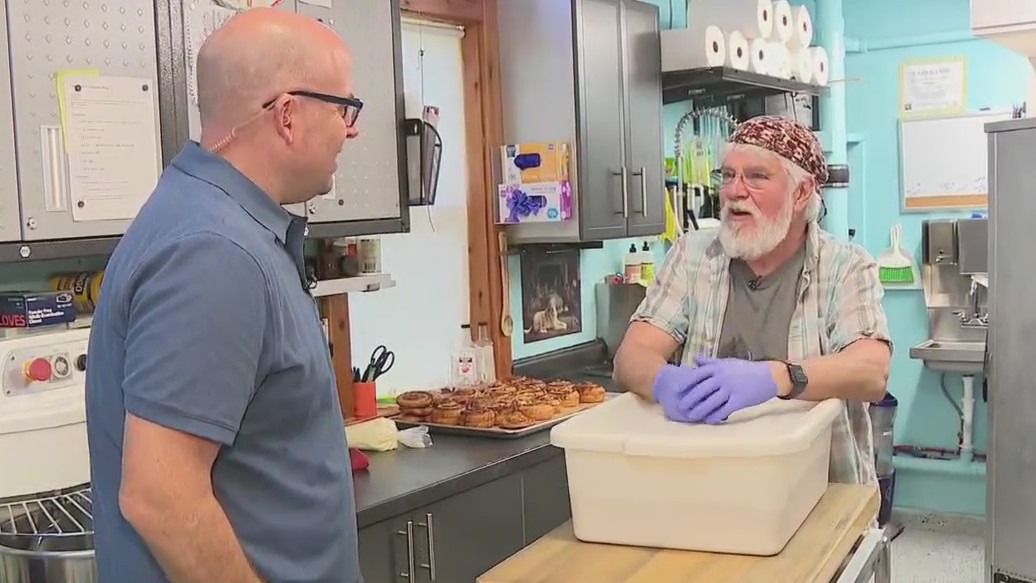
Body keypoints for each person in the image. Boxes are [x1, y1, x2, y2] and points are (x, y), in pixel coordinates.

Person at [84, 8, 363, 583]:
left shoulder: (223, 226)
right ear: (288, 115)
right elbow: (160, 496)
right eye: (343, 108)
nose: (351, 129)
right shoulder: (214, 252)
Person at [613, 115, 891, 485]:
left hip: (817, 492)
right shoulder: (693, 255)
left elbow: (872, 371)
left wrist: (778, 377)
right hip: (708, 485)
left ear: (801, 192)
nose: (733, 192)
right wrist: (664, 381)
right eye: (728, 176)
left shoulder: (845, 266)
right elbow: (631, 357)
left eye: (756, 176)